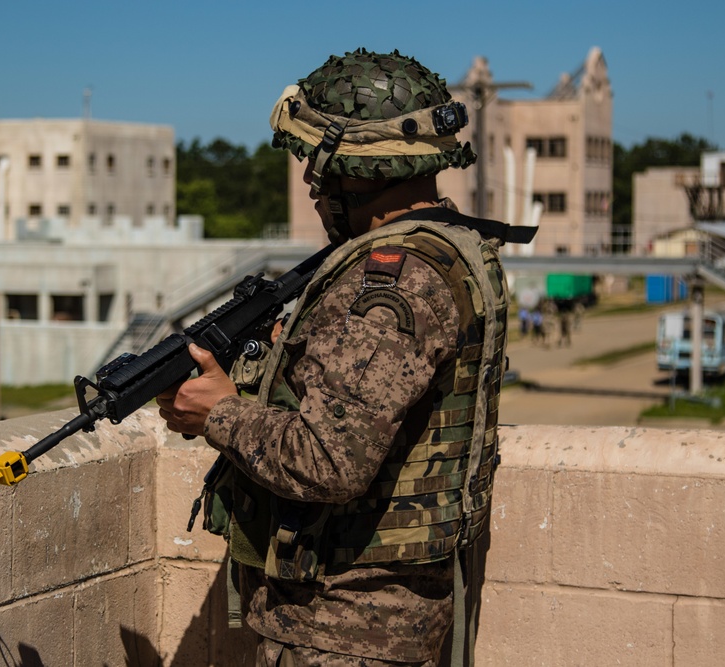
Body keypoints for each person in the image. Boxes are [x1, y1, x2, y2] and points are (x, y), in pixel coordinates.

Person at [157, 48, 533, 666]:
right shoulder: (455, 248)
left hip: (343, 629)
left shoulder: (394, 277)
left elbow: (329, 460)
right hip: (373, 621)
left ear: (360, 168)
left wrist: (219, 413)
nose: (312, 185)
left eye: (319, 166)